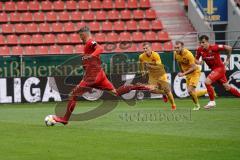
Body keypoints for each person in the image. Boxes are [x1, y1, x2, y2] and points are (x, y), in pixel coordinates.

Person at [53, 26, 149, 124]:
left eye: (80, 36)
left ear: (83, 34)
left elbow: (100, 48)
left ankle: (65, 119)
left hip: (92, 77)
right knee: (116, 92)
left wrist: (91, 56)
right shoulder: (88, 44)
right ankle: (138, 86)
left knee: (73, 95)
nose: (80, 38)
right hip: (99, 75)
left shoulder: (90, 42)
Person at [196, 35, 240, 109]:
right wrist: (199, 62)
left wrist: (228, 60)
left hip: (220, 68)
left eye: (203, 42)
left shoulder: (214, 47)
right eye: (200, 42)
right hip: (214, 70)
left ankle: (212, 102)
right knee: (227, 87)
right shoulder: (200, 50)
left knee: (207, 82)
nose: (201, 44)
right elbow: (195, 59)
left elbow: (229, 48)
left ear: (207, 42)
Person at [139, 42, 177, 110]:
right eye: (144, 48)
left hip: (160, 73)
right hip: (152, 75)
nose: (145, 50)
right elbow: (141, 63)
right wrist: (142, 71)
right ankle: (163, 93)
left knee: (167, 90)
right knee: (151, 89)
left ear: (150, 48)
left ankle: (173, 105)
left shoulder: (155, 55)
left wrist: (149, 65)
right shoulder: (141, 56)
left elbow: (158, 66)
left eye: (146, 48)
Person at [174, 41, 208, 110]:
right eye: (175, 48)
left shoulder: (188, 54)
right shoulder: (175, 53)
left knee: (190, 90)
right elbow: (179, 62)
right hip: (187, 73)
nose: (176, 49)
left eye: (178, 48)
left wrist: (183, 74)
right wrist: (181, 71)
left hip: (195, 72)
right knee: (191, 92)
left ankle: (197, 106)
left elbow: (194, 67)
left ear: (182, 47)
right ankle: (207, 92)